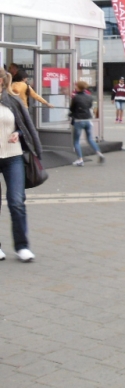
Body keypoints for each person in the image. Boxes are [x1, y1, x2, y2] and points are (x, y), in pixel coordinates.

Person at [0, 68, 42, 262]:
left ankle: (22, 246)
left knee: (16, 202)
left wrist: (20, 134)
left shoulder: (13, 100)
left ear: (2, 81)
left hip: (13, 156)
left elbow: (25, 126)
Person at [69, 80, 105, 167]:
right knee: (90, 139)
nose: (75, 87)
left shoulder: (76, 97)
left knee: (76, 141)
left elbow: (71, 108)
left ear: (79, 88)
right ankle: (99, 153)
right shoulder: (89, 97)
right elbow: (89, 106)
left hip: (79, 120)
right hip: (88, 120)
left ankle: (80, 159)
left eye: (76, 86)